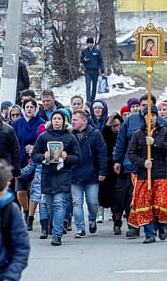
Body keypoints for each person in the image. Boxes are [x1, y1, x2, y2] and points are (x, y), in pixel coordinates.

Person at [113, 94, 167, 238]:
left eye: (149, 106)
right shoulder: (131, 121)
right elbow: (122, 142)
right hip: (134, 167)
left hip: (156, 169)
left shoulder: (162, 125)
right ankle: (135, 226)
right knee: (134, 198)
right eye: (143, 105)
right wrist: (117, 160)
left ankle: (159, 225)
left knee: (155, 200)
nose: (146, 110)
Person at [31, 110, 80, 246]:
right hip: (47, 174)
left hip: (63, 174)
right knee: (50, 207)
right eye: (55, 119)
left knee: (59, 204)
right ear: (51, 121)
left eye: (59, 119)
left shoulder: (70, 137)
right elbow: (34, 155)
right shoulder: (43, 137)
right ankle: (55, 226)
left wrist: (66, 157)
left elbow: (77, 157)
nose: (57, 121)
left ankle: (57, 235)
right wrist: (44, 156)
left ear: (64, 121)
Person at [128, 105, 167, 243]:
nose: (150, 118)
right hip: (144, 174)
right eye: (147, 116)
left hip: (160, 173)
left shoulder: (165, 131)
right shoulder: (138, 134)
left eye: (153, 115)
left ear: (156, 116)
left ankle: (161, 225)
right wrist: (143, 162)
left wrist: (155, 143)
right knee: (145, 203)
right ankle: (150, 233)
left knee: (160, 203)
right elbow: (131, 153)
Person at [71, 110, 107, 237]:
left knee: (92, 202)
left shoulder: (95, 134)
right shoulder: (70, 135)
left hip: (92, 174)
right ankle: (80, 228)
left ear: (84, 121)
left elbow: (102, 153)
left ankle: (92, 218)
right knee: (77, 202)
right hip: (74, 175)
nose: (73, 122)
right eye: (72, 119)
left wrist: (102, 171)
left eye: (75, 120)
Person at [13, 98, 45, 225]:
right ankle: (26, 210)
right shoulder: (17, 123)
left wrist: (34, 148)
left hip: (36, 161)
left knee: (34, 191)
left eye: (32, 107)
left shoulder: (41, 122)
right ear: (23, 108)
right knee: (20, 192)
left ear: (36, 108)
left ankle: (30, 217)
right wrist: (23, 149)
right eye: (27, 107)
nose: (29, 109)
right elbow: (14, 142)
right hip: (21, 161)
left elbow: (44, 141)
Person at [100, 112, 124, 234]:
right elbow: (103, 132)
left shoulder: (125, 135)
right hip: (110, 171)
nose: (116, 128)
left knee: (124, 198)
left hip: (124, 170)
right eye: (114, 126)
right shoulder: (108, 136)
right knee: (114, 199)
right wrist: (109, 121)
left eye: (118, 125)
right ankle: (117, 222)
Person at [80, 37, 105, 103]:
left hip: (95, 71)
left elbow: (100, 61)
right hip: (88, 70)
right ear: (87, 44)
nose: (90, 45)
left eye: (91, 43)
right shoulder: (84, 51)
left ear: (93, 44)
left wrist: (102, 71)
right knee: (88, 85)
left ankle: (92, 99)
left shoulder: (97, 51)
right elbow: (81, 60)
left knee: (94, 86)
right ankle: (88, 100)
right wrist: (84, 60)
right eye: (88, 43)